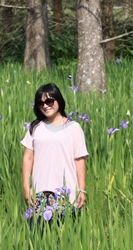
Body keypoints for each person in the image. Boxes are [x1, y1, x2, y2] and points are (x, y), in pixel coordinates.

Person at [21, 83, 88, 224]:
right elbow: (28, 158)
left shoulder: (74, 128)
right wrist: (27, 188)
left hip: (67, 193)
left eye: (49, 101)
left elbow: (79, 160)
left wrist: (81, 190)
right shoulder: (35, 127)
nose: (45, 105)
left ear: (59, 100)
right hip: (40, 193)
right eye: (41, 103)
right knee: (38, 238)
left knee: (66, 238)